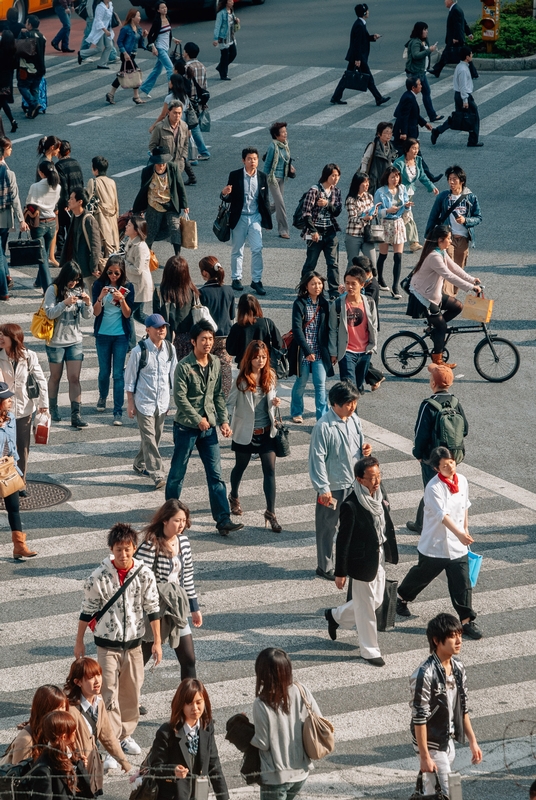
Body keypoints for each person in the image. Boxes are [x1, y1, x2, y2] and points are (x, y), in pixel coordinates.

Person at [74, 522, 161, 756]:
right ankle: (111, 742)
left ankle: (125, 734)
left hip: (134, 646)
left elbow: (153, 608)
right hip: (107, 646)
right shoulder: (98, 577)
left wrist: (158, 642)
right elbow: (87, 611)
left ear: (134, 548)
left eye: (128, 548)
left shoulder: (144, 574)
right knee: (108, 693)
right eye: (118, 549)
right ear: (111, 550)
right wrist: (79, 641)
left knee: (132, 692)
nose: (123, 554)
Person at [165, 321, 244, 536]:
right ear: (193, 342)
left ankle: (223, 519)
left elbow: (218, 394)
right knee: (177, 474)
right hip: (186, 427)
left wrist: (224, 420)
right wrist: (197, 418)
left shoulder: (216, 363)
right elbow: (180, 399)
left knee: (216, 475)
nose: (208, 343)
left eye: (210, 338)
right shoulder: (184, 366)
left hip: (208, 429)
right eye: (204, 339)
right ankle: (169, 517)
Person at [398, 448, 483, 640]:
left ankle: (467, 619)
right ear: (437, 468)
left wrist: (465, 529)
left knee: (462, 582)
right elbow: (442, 516)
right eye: (444, 465)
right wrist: (460, 533)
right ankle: (401, 598)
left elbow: (464, 507)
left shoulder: (462, 480)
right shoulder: (434, 487)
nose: (450, 467)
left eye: (451, 462)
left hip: (457, 546)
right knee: (422, 575)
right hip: (435, 544)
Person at [325, 456, 398, 666]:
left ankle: (336, 616)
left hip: (379, 556)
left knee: (376, 601)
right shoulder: (351, 505)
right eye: (372, 477)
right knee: (366, 607)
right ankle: (369, 650)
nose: (377, 481)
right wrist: (340, 572)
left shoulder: (380, 494)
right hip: (361, 562)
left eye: (379, 475)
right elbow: (343, 541)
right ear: (359, 479)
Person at [410, 613, 483, 794]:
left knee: (431, 792)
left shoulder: (458, 667)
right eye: (452, 636)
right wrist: (424, 756)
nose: (459, 640)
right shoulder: (424, 674)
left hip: (447, 739)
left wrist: (473, 741)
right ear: (436, 640)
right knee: (453, 792)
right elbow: (419, 718)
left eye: (459, 635)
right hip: (432, 742)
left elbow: (462, 707)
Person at [308, 380, 372, 580]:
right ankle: (325, 565)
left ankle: (348, 562)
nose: (352, 407)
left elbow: (359, 444)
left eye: (354, 402)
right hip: (333, 485)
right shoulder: (323, 426)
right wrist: (323, 488)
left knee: (353, 525)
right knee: (328, 527)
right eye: (348, 403)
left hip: (354, 482)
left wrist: (365, 450)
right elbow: (316, 458)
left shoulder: (354, 420)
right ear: (335, 404)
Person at [136, 500, 201, 678]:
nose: (181, 525)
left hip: (176, 607)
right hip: (155, 609)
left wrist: (194, 608)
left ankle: (187, 699)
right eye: (177, 520)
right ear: (165, 520)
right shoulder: (151, 546)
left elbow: (187, 577)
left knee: (189, 659)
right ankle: (128, 702)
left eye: (184, 520)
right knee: (140, 661)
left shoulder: (184, 542)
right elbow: (139, 580)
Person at [251, 647, 322, 798]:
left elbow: (262, 743)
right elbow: (318, 718)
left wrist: (245, 733)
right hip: (301, 772)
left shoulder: (261, 703)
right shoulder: (300, 689)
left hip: (276, 777)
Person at [406, 363, 468, 534]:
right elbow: (465, 429)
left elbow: (421, 434)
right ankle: (423, 522)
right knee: (445, 488)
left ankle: (427, 525)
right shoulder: (456, 402)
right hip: (452, 456)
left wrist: (417, 454)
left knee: (431, 490)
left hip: (432, 458)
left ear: (433, 383)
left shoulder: (429, 405)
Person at [227, 340, 282, 531]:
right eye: (257, 357)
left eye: (264, 357)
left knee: (270, 470)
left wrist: (275, 402)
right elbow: (229, 404)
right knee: (240, 466)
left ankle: (271, 513)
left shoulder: (271, 376)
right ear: (249, 358)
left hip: (267, 431)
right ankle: (233, 495)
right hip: (246, 432)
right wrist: (226, 423)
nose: (260, 361)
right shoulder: (241, 380)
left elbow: (271, 401)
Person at [409, 225, 482, 368]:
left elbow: (454, 268)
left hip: (432, 292)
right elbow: (449, 275)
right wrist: (470, 287)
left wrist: (472, 279)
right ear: (440, 240)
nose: (450, 241)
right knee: (442, 326)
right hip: (423, 296)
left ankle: (433, 329)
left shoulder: (440, 252)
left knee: (457, 306)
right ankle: (438, 360)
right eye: (448, 239)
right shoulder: (434, 256)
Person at [148, 678, 229, 800]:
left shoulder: (206, 727)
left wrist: (224, 797)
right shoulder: (167, 732)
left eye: (198, 702)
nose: (195, 708)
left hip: (199, 794)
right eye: (189, 703)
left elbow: (214, 765)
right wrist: (173, 771)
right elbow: (155, 767)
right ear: (181, 705)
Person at [124, 314, 177, 490]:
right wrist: (130, 403)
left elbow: (174, 376)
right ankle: (157, 474)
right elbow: (130, 379)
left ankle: (139, 462)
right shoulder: (139, 351)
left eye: (163, 326)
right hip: (143, 402)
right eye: (157, 327)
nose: (162, 330)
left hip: (162, 402)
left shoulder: (170, 349)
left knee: (154, 438)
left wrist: (175, 400)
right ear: (148, 330)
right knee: (149, 437)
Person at [64, 657, 132, 780]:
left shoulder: (99, 701)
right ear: (78, 682)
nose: (97, 681)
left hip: (94, 767)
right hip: (76, 770)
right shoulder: (70, 711)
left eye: (99, 675)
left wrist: (123, 761)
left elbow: (107, 736)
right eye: (90, 678)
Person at [44, 261, 93, 428]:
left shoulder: (79, 290)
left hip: (75, 340)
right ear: (65, 276)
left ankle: (76, 415)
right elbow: (49, 313)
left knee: (74, 378)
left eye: (77, 279)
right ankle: (52, 408)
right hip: (56, 341)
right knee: (55, 377)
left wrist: (87, 303)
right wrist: (64, 303)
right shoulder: (53, 290)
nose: (74, 283)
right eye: (71, 279)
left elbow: (87, 316)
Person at [0, 323, 48, 487]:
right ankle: (5, 484)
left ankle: (21, 483)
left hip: (24, 409)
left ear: (13, 338)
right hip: (3, 412)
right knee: (4, 450)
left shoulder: (29, 356)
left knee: (22, 448)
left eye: (3, 335)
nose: (0, 338)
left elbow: (41, 380)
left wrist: (44, 404)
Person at [222, 147, 272, 296]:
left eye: (255, 159)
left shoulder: (262, 177)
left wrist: (268, 222)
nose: (252, 162)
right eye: (249, 159)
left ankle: (256, 280)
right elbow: (228, 198)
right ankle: (236, 278)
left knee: (257, 248)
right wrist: (224, 194)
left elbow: (265, 200)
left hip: (255, 217)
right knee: (238, 249)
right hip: (240, 217)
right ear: (243, 160)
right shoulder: (235, 175)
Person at [425, 165, 482, 291]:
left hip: (463, 239)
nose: (451, 182)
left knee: (458, 270)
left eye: (454, 179)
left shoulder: (471, 197)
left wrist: (466, 220)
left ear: (461, 181)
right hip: (447, 239)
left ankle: (451, 297)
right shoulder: (443, 197)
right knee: (447, 270)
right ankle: (445, 297)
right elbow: (433, 216)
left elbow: (478, 217)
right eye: (449, 179)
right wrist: (428, 236)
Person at [92, 255, 134, 424]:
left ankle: (117, 411)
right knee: (104, 372)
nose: (113, 276)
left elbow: (128, 314)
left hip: (120, 336)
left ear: (122, 272)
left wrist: (122, 300)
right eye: (110, 272)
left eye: (117, 273)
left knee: (118, 374)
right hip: (102, 334)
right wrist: (100, 298)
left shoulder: (127, 287)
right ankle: (102, 396)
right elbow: (95, 313)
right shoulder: (98, 285)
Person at [289, 272, 334, 424]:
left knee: (320, 384)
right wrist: (307, 351)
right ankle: (296, 411)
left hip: (320, 352)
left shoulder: (324, 304)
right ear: (306, 286)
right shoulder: (300, 303)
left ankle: (321, 417)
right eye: (313, 284)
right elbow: (296, 329)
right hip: (303, 351)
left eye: (320, 283)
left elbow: (330, 328)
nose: (317, 287)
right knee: (301, 382)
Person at [0, 382, 37, 559]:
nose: (10, 400)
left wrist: (16, 469)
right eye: (7, 398)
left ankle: (19, 546)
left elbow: (12, 445)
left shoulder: (11, 418)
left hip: (8, 469)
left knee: (14, 507)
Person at [21, 710, 92, 800]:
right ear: (64, 737)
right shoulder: (44, 769)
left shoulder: (71, 754)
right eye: (73, 732)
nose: (75, 734)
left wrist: (80, 766)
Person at [132, 146, 189, 257]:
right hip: (154, 204)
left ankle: (177, 256)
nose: (161, 166)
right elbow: (143, 190)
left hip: (171, 204)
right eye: (159, 164)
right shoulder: (147, 171)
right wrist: (140, 208)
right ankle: (147, 254)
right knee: (150, 230)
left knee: (175, 228)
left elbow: (180, 186)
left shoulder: (173, 168)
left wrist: (184, 204)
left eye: (163, 163)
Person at [330, 3, 389, 107]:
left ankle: (336, 97)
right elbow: (356, 44)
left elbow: (363, 38)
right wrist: (357, 59)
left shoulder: (360, 24)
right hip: (358, 57)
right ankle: (378, 98)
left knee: (347, 77)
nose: (369, 12)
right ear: (364, 12)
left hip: (357, 56)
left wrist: (372, 37)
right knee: (368, 78)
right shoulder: (359, 25)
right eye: (367, 10)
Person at [331, 265, 378, 394]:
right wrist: (333, 352)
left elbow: (374, 325)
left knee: (357, 387)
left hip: (365, 352)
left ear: (362, 284)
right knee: (349, 389)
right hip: (346, 352)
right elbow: (332, 329)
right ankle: (352, 414)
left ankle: (350, 412)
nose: (349, 287)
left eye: (353, 284)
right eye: (347, 283)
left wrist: (372, 347)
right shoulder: (337, 304)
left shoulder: (369, 302)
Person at [300, 163, 342, 300]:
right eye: (333, 175)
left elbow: (337, 212)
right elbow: (306, 213)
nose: (335, 178)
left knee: (333, 263)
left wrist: (327, 204)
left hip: (330, 231)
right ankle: (304, 288)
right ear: (326, 175)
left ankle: (334, 292)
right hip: (315, 232)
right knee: (311, 262)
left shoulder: (336, 191)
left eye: (337, 176)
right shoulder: (314, 190)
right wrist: (313, 231)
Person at [148, 75, 198, 186]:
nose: (168, 83)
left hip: (181, 128)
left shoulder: (169, 98)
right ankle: (191, 175)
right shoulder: (185, 96)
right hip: (181, 126)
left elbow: (162, 114)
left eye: (170, 81)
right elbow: (152, 145)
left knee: (179, 150)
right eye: (175, 112)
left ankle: (190, 174)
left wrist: (153, 126)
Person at [393, 139, 439, 251]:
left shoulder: (418, 160)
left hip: (409, 193)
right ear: (407, 149)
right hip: (398, 194)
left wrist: (431, 186)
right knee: (407, 216)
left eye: (417, 148)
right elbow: (392, 178)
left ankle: (392, 237)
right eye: (413, 148)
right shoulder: (398, 163)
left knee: (400, 217)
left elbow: (422, 176)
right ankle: (414, 242)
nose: (416, 151)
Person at [431, 47, 482, 148]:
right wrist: (465, 100)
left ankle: (438, 131)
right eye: (471, 54)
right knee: (474, 116)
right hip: (463, 95)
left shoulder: (461, 66)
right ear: (467, 57)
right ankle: (473, 141)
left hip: (459, 95)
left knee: (457, 117)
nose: (472, 56)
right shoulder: (463, 69)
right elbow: (463, 86)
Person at [198, 255, 235, 397]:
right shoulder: (228, 290)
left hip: (208, 336)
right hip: (226, 336)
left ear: (205, 273)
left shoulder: (202, 293)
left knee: (206, 368)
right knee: (225, 369)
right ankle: (223, 398)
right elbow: (232, 315)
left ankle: (207, 397)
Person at [373, 166, 411, 299]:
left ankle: (395, 287)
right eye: (392, 177)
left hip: (398, 222)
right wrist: (388, 210)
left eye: (397, 176)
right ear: (387, 178)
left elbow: (406, 205)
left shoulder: (402, 189)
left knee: (398, 256)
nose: (395, 179)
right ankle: (380, 279)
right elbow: (375, 211)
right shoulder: (380, 192)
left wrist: (407, 208)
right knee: (383, 255)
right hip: (385, 223)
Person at [7, 685, 68, 765]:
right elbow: (18, 774)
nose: (61, 713)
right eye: (56, 709)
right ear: (43, 710)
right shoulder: (26, 740)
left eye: (63, 707)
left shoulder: (62, 731)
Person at [153, 255, 199, 360]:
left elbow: (155, 317)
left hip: (166, 338)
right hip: (188, 339)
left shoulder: (160, 292)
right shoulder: (191, 290)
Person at [25, 161, 61, 294]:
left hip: (38, 224)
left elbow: (29, 204)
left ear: (41, 173)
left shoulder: (35, 186)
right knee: (44, 253)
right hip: (51, 223)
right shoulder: (57, 187)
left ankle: (48, 289)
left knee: (42, 257)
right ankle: (39, 281)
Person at [60, 187, 103, 295]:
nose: (69, 201)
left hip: (87, 267)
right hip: (76, 265)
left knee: (93, 297)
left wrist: (94, 266)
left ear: (80, 202)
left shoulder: (88, 219)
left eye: (71, 198)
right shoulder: (74, 216)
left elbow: (95, 245)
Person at [0, 136, 28, 300]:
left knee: (1, 252)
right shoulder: (9, 173)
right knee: (1, 251)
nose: (11, 150)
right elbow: (15, 198)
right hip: (5, 217)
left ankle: (4, 285)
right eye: (9, 147)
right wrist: (21, 219)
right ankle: (6, 281)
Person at [226, 293, 284, 367]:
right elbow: (278, 344)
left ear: (240, 309)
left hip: (244, 366)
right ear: (257, 306)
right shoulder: (267, 323)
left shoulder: (237, 327)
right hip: (264, 365)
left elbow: (231, 350)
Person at [106, 9, 147, 105]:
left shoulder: (139, 29)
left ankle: (110, 94)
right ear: (132, 18)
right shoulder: (125, 29)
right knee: (135, 71)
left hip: (132, 54)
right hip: (126, 55)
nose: (140, 18)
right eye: (138, 16)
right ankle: (136, 97)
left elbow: (140, 44)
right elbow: (119, 42)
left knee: (122, 74)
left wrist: (143, 37)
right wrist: (124, 53)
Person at [139, 1, 179, 99]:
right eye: (162, 8)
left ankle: (144, 88)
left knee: (157, 70)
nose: (164, 9)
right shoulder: (157, 21)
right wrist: (153, 47)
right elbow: (150, 36)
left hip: (166, 48)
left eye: (165, 7)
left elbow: (167, 33)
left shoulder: (167, 18)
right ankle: (172, 92)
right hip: (160, 48)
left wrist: (174, 39)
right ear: (158, 10)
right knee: (170, 68)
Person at [405, 22, 443, 123]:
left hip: (421, 72)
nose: (426, 32)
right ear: (419, 31)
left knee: (425, 92)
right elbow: (416, 55)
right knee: (411, 94)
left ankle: (432, 115)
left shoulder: (424, 41)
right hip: (415, 72)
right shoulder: (415, 42)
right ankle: (432, 115)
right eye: (424, 29)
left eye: (426, 29)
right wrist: (429, 50)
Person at [124, 215, 152, 345]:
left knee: (129, 313)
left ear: (136, 230)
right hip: (133, 284)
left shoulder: (140, 246)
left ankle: (131, 344)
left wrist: (123, 264)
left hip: (139, 286)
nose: (126, 226)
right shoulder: (131, 241)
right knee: (138, 314)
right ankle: (157, 327)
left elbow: (137, 269)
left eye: (129, 225)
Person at [264, 122, 295, 239]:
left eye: (285, 131)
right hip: (272, 178)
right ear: (276, 135)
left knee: (277, 204)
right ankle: (283, 230)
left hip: (282, 177)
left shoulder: (285, 145)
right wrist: (263, 178)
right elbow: (267, 164)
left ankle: (261, 216)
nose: (285, 134)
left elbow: (285, 159)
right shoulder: (273, 146)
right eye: (283, 132)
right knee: (281, 204)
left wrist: (290, 166)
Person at [429, 0, 473, 79]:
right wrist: (469, 33)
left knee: (461, 55)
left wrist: (456, 38)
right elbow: (463, 22)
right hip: (455, 38)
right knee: (446, 54)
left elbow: (458, 25)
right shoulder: (456, 8)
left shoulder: (455, 10)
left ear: (451, 1)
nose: (444, 2)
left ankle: (473, 73)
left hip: (455, 39)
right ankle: (437, 70)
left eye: (446, 0)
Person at [87, 156, 119, 258]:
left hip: (100, 218)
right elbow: (116, 202)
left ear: (95, 170)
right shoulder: (112, 182)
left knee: (100, 244)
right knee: (112, 244)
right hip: (112, 217)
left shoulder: (93, 182)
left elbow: (88, 200)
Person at [344, 171, 378, 269]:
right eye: (364, 182)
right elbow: (352, 218)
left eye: (368, 182)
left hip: (367, 234)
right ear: (358, 183)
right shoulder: (351, 199)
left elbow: (374, 211)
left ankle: (370, 284)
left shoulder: (369, 197)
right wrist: (364, 218)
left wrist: (373, 214)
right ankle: (349, 283)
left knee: (372, 263)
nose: (367, 184)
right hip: (353, 235)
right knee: (352, 263)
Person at [55, 141, 84, 255]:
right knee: (73, 224)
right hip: (77, 198)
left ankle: (61, 249)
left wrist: (66, 202)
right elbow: (81, 181)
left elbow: (63, 185)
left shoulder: (59, 166)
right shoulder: (75, 162)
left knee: (62, 225)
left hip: (66, 200)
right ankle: (73, 248)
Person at [183, 42, 210, 161]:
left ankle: (203, 151)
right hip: (198, 101)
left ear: (187, 53)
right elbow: (205, 86)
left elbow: (184, 85)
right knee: (193, 126)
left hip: (189, 101)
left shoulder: (186, 68)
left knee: (193, 127)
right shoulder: (202, 66)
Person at [392, 77, 433, 154]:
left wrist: (424, 123)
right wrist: (403, 132)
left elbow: (413, 114)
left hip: (408, 132)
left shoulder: (409, 96)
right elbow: (404, 116)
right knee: (411, 153)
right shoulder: (409, 98)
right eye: (419, 84)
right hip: (408, 133)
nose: (421, 86)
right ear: (413, 87)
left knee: (411, 153)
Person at [17, 15, 47, 119]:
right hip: (40, 68)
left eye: (27, 23)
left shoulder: (27, 35)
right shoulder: (42, 36)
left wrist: (21, 33)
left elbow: (19, 47)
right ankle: (31, 112)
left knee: (22, 86)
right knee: (34, 89)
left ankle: (34, 104)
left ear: (30, 25)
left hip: (28, 68)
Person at [149, 102, 189, 177]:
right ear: (169, 112)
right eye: (175, 113)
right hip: (163, 167)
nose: (177, 116)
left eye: (179, 113)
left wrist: (183, 157)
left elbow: (186, 143)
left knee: (176, 187)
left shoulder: (184, 126)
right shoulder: (160, 127)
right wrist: (160, 161)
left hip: (178, 165)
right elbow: (152, 145)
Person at [360, 122, 397, 197]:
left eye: (390, 133)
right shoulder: (373, 146)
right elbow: (365, 160)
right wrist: (363, 174)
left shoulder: (391, 147)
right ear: (379, 134)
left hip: (385, 178)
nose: (389, 135)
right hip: (374, 177)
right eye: (386, 133)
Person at [78, 0, 116, 70]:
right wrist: (105, 30)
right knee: (99, 48)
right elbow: (98, 20)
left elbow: (110, 17)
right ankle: (81, 54)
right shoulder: (100, 7)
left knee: (109, 46)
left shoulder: (110, 4)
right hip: (100, 30)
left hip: (107, 28)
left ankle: (102, 63)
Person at [213, 0, 239, 81]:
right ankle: (223, 74)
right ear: (226, 2)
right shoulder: (221, 13)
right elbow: (217, 26)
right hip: (223, 37)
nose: (232, 2)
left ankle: (221, 67)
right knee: (225, 56)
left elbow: (232, 20)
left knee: (233, 53)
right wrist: (215, 39)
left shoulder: (231, 10)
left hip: (231, 36)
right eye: (230, 1)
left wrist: (236, 20)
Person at [0, 31, 18, 133]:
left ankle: (12, 120)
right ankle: (12, 121)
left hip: (0, 79)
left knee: (2, 101)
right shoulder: (13, 51)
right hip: (7, 79)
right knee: (2, 101)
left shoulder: (1, 51)